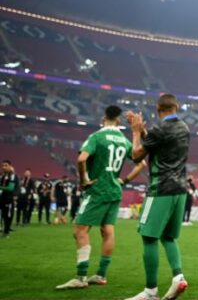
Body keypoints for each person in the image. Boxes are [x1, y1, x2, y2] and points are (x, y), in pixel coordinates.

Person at [56, 105, 147, 290]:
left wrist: (83, 181)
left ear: (102, 119)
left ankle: (81, 277)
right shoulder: (123, 140)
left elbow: (81, 159)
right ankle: (101, 275)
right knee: (108, 231)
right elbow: (141, 164)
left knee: (80, 230)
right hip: (114, 190)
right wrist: (124, 180)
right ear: (119, 121)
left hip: (97, 189)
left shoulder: (97, 137)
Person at [126, 93, 190, 300]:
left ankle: (150, 291)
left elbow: (136, 155)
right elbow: (157, 142)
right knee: (168, 236)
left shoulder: (159, 129)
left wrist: (136, 132)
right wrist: (145, 131)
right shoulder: (184, 128)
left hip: (160, 189)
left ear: (158, 108)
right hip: (180, 189)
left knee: (149, 237)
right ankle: (178, 277)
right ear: (176, 107)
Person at [1, 160, 19, 237]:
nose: (3, 167)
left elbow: (10, 188)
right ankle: (5, 230)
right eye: (3, 165)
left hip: (9, 198)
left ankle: (6, 231)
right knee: (3, 215)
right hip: (2, 198)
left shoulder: (12, 175)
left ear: (10, 166)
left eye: (6, 165)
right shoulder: (3, 176)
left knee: (8, 215)